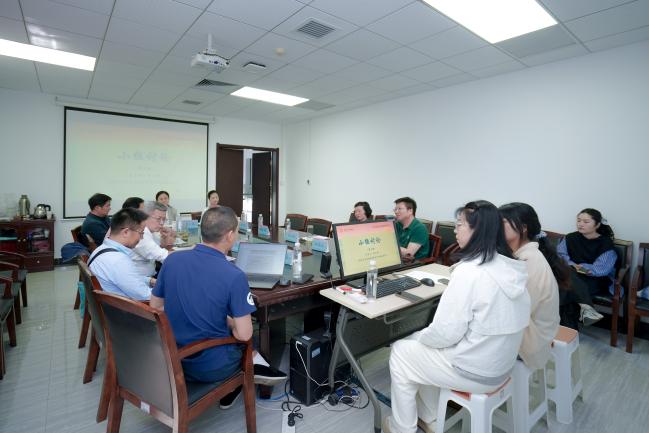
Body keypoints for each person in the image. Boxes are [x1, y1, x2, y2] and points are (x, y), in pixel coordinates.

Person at [383, 200, 530, 433]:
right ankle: (429, 417)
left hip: (476, 370)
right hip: (501, 364)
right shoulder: (511, 267)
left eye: (459, 225)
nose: (454, 230)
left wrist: (420, 337)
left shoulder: (470, 271)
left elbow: (445, 333)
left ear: (477, 230)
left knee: (401, 350)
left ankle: (401, 427)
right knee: (420, 348)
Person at [150, 206, 286, 409]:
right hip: (209, 367)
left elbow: (156, 306)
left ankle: (252, 371)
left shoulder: (172, 260)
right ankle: (239, 380)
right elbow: (244, 335)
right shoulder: (234, 275)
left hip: (170, 358)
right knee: (249, 339)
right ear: (230, 235)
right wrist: (229, 321)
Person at [499, 202, 566, 370]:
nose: (496, 227)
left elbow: (515, 312)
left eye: (502, 222)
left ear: (523, 228)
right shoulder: (522, 255)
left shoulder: (529, 261)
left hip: (531, 340)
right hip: (527, 330)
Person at [557, 208, 615, 328]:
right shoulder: (570, 238)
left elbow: (602, 269)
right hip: (573, 276)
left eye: (586, 221)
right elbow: (560, 256)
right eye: (579, 220)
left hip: (595, 279)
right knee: (568, 282)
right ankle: (586, 309)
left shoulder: (605, 243)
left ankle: (567, 331)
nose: (581, 224)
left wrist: (582, 268)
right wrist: (573, 265)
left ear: (597, 224)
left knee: (566, 288)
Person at [88, 208, 155, 301]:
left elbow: (125, 277)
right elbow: (145, 296)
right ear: (126, 232)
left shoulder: (101, 249)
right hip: (127, 308)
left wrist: (149, 281)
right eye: (141, 233)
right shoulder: (118, 261)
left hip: (112, 304)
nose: (142, 238)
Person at [131, 201, 173, 278]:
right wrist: (190, 254)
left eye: (164, 219)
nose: (162, 223)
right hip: (140, 279)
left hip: (150, 275)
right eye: (158, 219)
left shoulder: (151, 230)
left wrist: (165, 237)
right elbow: (163, 256)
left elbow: (162, 247)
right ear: (145, 217)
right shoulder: (141, 233)